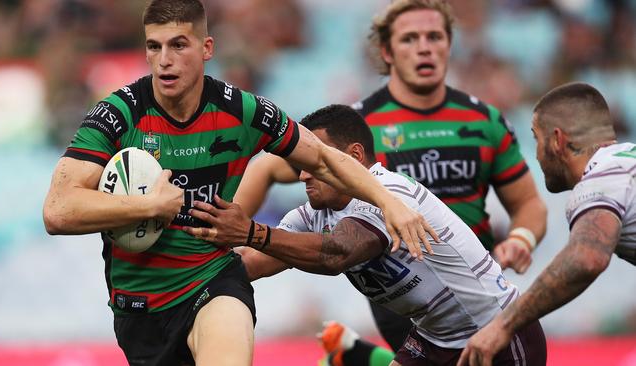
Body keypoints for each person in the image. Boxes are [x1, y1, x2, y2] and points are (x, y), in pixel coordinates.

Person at [41, 1, 438, 365]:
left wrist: (389, 202)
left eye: (179, 45)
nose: (164, 61)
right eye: (154, 47)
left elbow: (321, 157)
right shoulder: (118, 114)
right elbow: (57, 211)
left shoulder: (243, 110)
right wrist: (150, 206)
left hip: (211, 281)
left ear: (206, 48)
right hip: (138, 306)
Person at [233, 0, 547, 361]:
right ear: (387, 51)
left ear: (450, 43)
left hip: (478, 301)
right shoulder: (354, 121)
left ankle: (356, 355)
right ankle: (358, 354)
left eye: (435, 36)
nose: (425, 47)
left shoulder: (484, 120)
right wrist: (215, 237)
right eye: (410, 38)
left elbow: (528, 202)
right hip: (406, 297)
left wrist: (522, 237)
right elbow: (268, 169)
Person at [187, 104, 547, 366]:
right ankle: (355, 352)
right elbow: (248, 262)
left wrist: (251, 231)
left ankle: (355, 352)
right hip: (434, 339)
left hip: (498, 331)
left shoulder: (387, 193)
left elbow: (338, 253)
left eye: (316, 164)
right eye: (302, 165)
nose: (303, 175)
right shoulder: (314, 213)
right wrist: (175, 263)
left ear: (354, 156)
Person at [457, 83, 630, 366]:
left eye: (536, 139)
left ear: (557, 140)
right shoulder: (625, 162)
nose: (536, 154)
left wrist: (503, 325)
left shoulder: (599, 181)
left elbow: (586, 259)